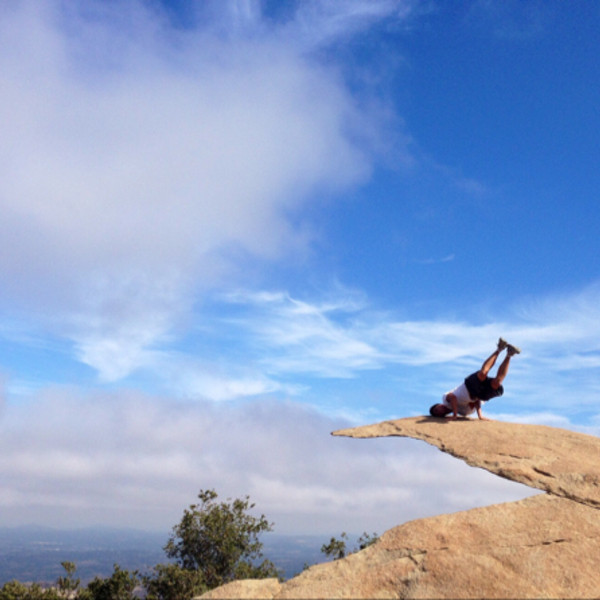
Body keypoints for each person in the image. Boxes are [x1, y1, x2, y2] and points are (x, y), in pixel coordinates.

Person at [429, 338, 520, 421]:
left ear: (439, 404)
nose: (440, 410)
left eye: (437, 409)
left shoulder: (445, 399)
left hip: (468, 387)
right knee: (497, 383)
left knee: (483, 373)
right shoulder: (464, 413)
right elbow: (476, 402)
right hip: (480, 395)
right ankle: (509, 354)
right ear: (441, 416)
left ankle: (499, 348)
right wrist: (480, 416)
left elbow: (453, 397)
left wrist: (455, 415)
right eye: (438, 413)